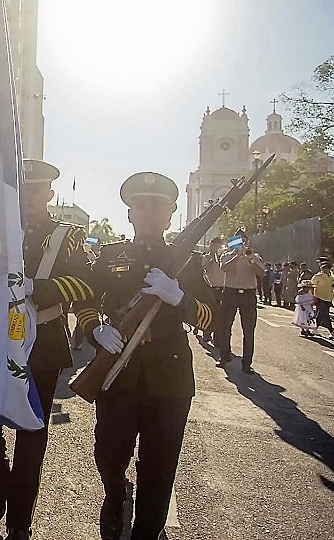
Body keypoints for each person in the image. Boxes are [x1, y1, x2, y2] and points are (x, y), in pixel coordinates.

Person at [78, 172, 217, 540]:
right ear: (129, 215)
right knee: (108, 451)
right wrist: (96, 330)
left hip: (170, 376)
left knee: (160, 464)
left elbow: (212, 317)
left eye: (158, 207)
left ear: (171, 216)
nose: (150, 213)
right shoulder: (109, 256)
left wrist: (180, 298)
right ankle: (114, 495)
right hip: (118, 371)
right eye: (141, 206)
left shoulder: (189, 261)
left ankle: (147, 530)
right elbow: (86, 301)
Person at [0, 159, 95, 540]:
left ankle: (20, 520)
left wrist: (41, 287)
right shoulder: (0, 229)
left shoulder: (66, 235)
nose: (30, 197)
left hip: (44, 337)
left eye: (37, 190)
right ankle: (1, 485)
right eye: (24, 190)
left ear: (50, 194)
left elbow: (85, 285)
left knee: (32, 430)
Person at [217, 230, 266, 374]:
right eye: (239, 241)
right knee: (225, 326)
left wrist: (250, 260)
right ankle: (224, 356)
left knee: (249, 330)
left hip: (248, 295)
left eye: (244, 241)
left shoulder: (254, 256)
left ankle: (247, 363)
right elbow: (224, 268)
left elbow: (262, 273)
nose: (242, 244)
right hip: (230, 293)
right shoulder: (227, 255)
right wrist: (237, 256)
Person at [200, 236, 225, 342]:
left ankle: (217, 337)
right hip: (210, 288)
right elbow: (204, 267)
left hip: (223, 289)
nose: (214, 248)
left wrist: (218, 256)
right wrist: (211, 258)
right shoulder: (206, 257)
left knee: (221, 314)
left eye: (216, 246)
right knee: (210, 312)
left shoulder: (223, 257)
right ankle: (206, 333)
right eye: (212, 245)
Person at [311, 258, 334, 340]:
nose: (324, 269)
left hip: (328, 298)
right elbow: (312, 284)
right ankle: (317, 329)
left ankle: (317, 329)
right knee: (322, 313)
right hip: (320, 297)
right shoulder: (318, 276)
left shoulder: (331, 277)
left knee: (325, 315)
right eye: (323, 267)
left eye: (326, 268)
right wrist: (313, 296)